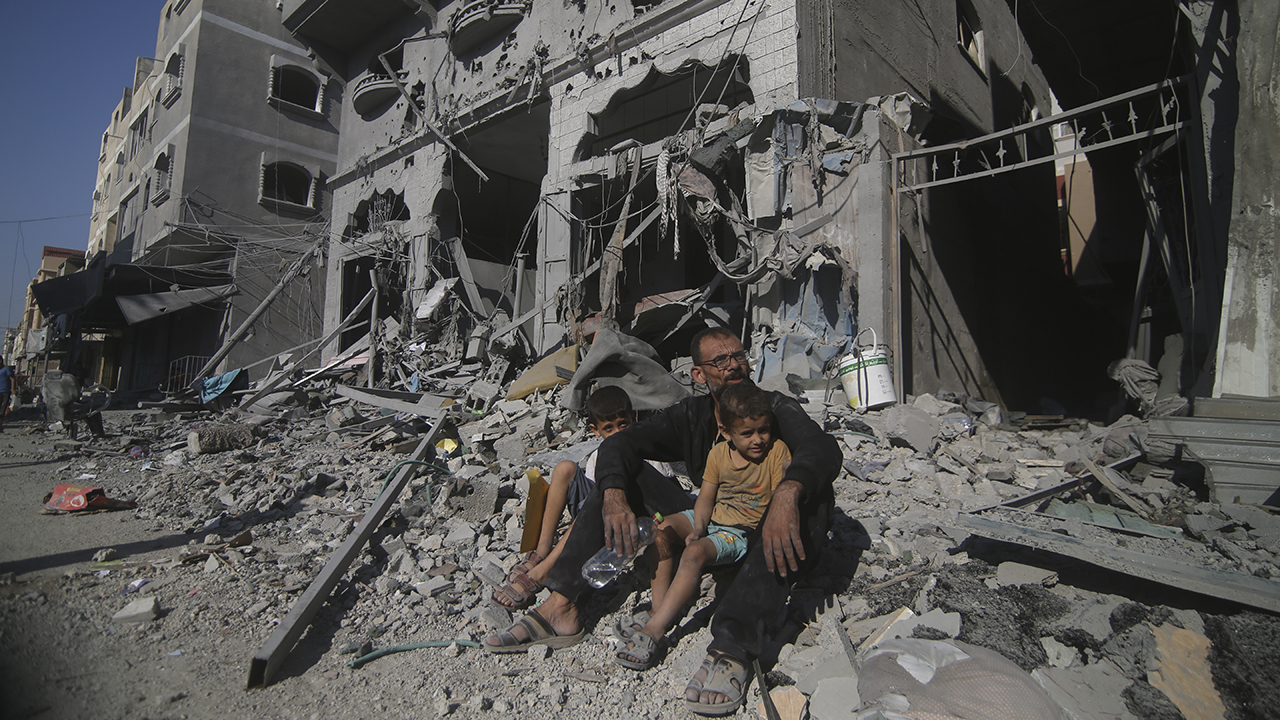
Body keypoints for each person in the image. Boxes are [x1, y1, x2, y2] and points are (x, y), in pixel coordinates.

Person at [484, 327, 843, 717]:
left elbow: (821, 447)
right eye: (720, 360)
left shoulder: (772, 409)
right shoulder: (692, 416)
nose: (733, 365)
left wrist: (788, 493)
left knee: (811, 492)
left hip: (767, 537)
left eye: (738, 356)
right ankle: (561, 606)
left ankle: (732, 647)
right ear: (699, 374)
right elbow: (621, 443)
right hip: (713, 524)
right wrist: (615, 494)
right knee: (619, 478)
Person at [615, 382, 791, 672]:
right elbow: (706, 499)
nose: (758, 440)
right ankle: (660, 607)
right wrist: (698, 527)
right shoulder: (719, 454)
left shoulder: (776, 452)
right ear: (727, 433)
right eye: (747, 433)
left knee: (694, 553)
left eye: (763, 430)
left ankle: (655, 631)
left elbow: (778, 501)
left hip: (740, 532)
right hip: (713, 519)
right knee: (661, 530)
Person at [492, 385, 674, 610]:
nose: (618, 433)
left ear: (633, 418)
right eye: (609, 428)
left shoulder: (646, 454)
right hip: (596, 516)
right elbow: (591, 493)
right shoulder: (598, 457)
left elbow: (662, 494)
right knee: (565, 469)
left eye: (623, 424)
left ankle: (543, 572)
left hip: (627, 518)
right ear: (595, 430)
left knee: (602, 497)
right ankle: (541, 551)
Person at [0, 357, 16, 433]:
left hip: (5, 392)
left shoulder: (6, 369)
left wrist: (13, 389)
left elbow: (12, 379)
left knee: (2, 410)